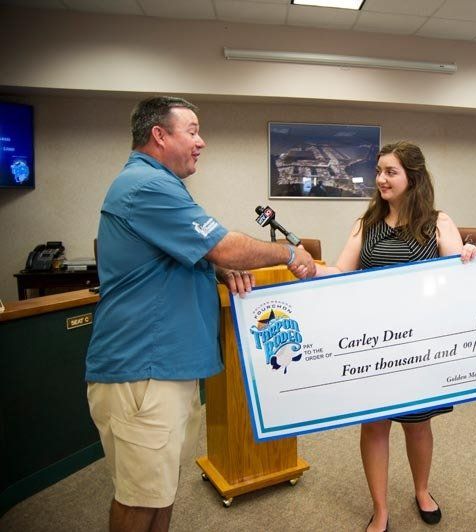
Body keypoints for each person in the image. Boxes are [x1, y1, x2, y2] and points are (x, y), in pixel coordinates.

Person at [85, 96, 316, 532]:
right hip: (143, 371)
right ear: (159, 135)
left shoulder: (164, 185)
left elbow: (192, 256)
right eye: (191, 130)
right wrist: (287, 253)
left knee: (161, 492)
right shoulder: (145, 186)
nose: (201, 141)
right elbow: (224, 243)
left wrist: (218, 267)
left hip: (169, 369)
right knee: (138, 500)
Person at [304, 141, 476, 532]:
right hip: (374, 346)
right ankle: (381, 509)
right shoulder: (365, 223)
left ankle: (422, 490)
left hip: (419, 347)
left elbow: (461, 275)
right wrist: (310, 271)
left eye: (390, 172)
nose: (380, 179)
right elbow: (341, 272)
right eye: (379, 171)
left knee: (418, 424)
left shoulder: (438, 222)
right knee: (375, 425)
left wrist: (469, 257)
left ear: (412, 178)